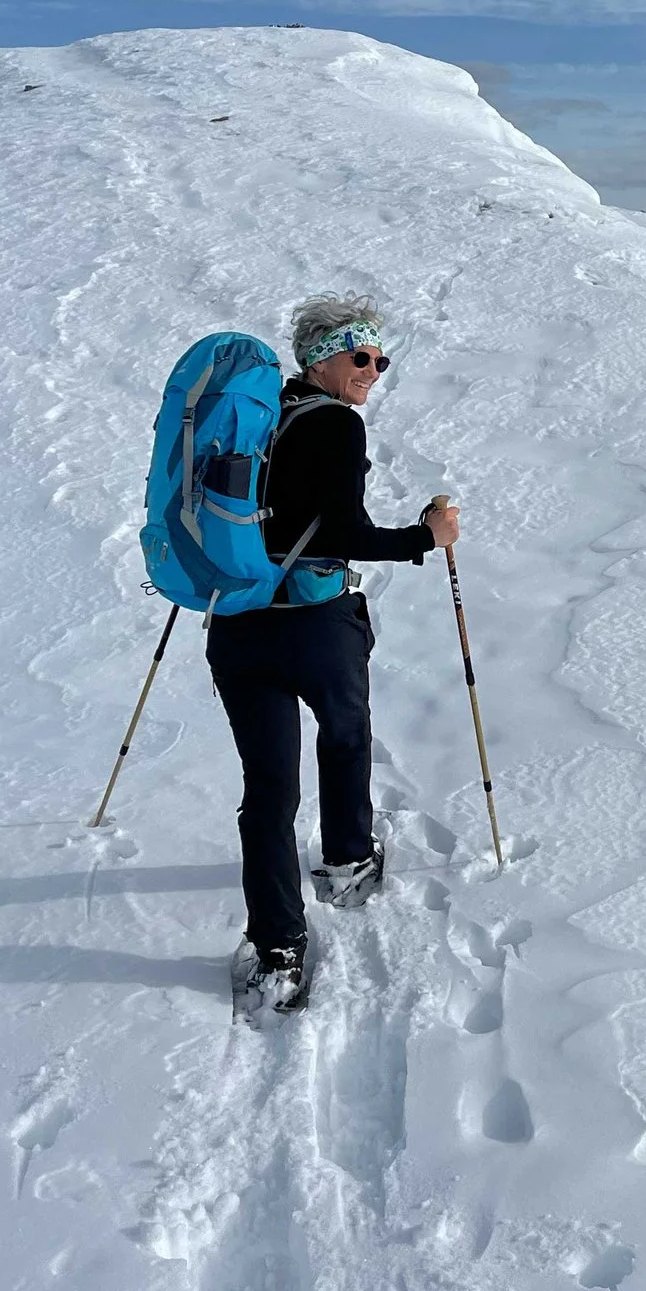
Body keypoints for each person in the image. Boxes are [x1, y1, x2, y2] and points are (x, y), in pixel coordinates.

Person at [206, 294, 458, 1004]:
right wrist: (423, 538)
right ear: (321, 356)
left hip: (237, 624)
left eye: (380, 360)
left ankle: (277, 947)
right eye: (360, 356)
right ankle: (348, 860)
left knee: (268, 792)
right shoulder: (336, 427)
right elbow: (343, 534)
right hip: (316, 624)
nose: (372, 372)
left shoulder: (250, 421)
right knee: (344, 736)